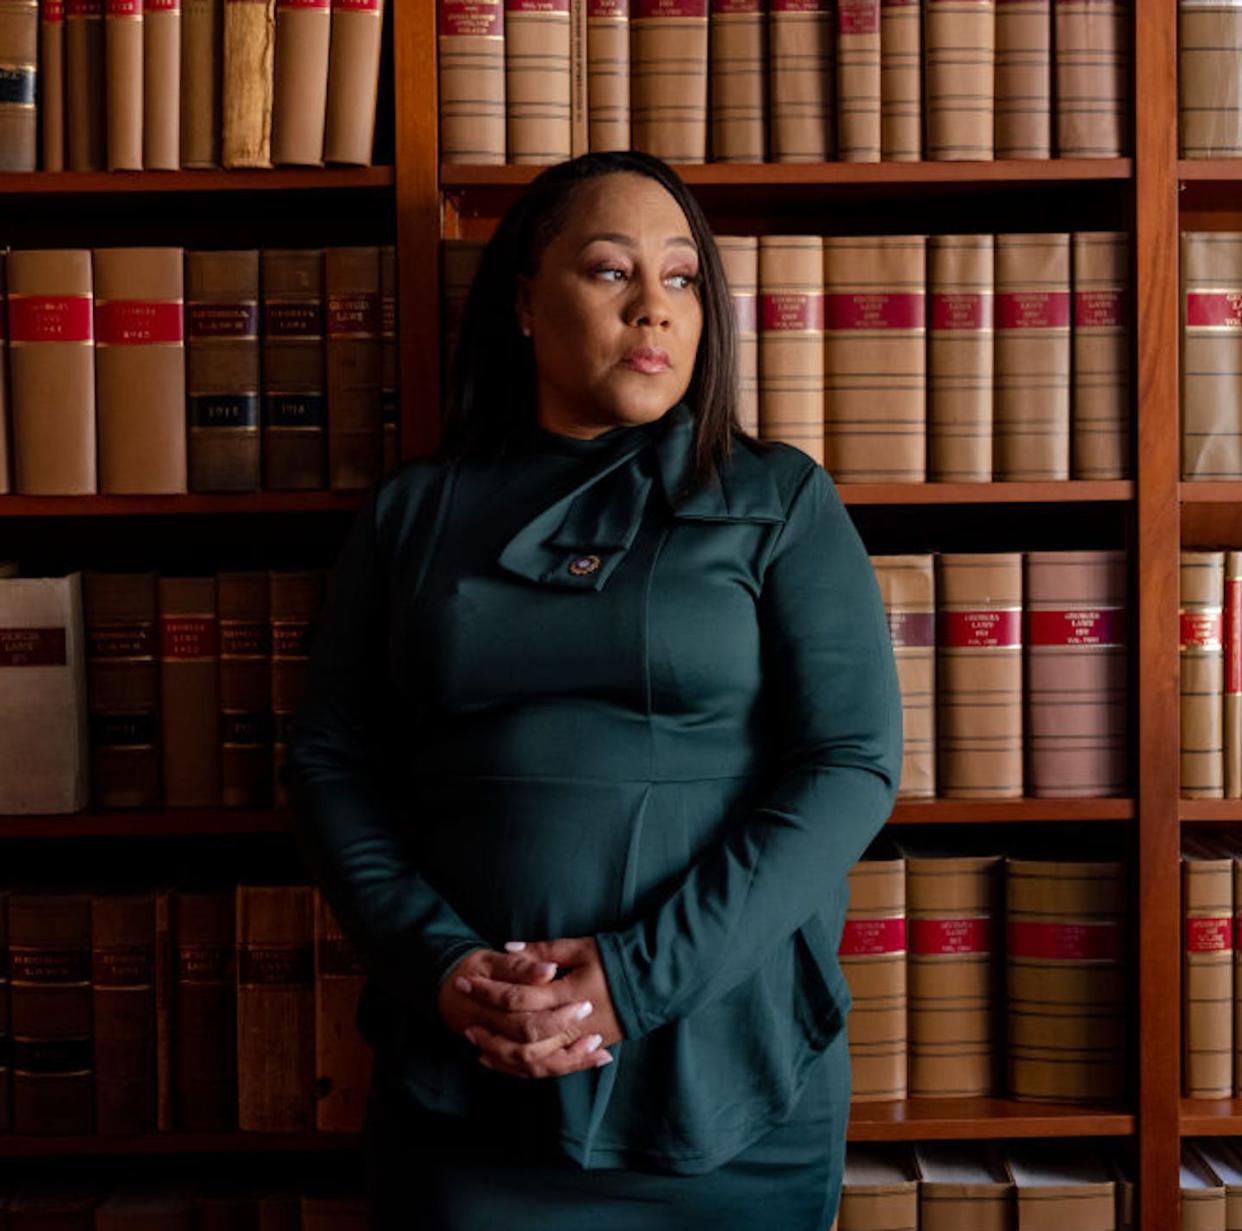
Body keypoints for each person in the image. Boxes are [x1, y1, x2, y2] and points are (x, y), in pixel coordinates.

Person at [284, 148, 902, 1230]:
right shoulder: (414, 513)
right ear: (526, 302)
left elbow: (851, 765)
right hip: (469, 1073)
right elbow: (332, 762)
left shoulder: (781, 498)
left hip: (727, 1078)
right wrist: (439, 965)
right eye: (612, 271)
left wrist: (634, 978)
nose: (655, 308)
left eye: (683, 278)